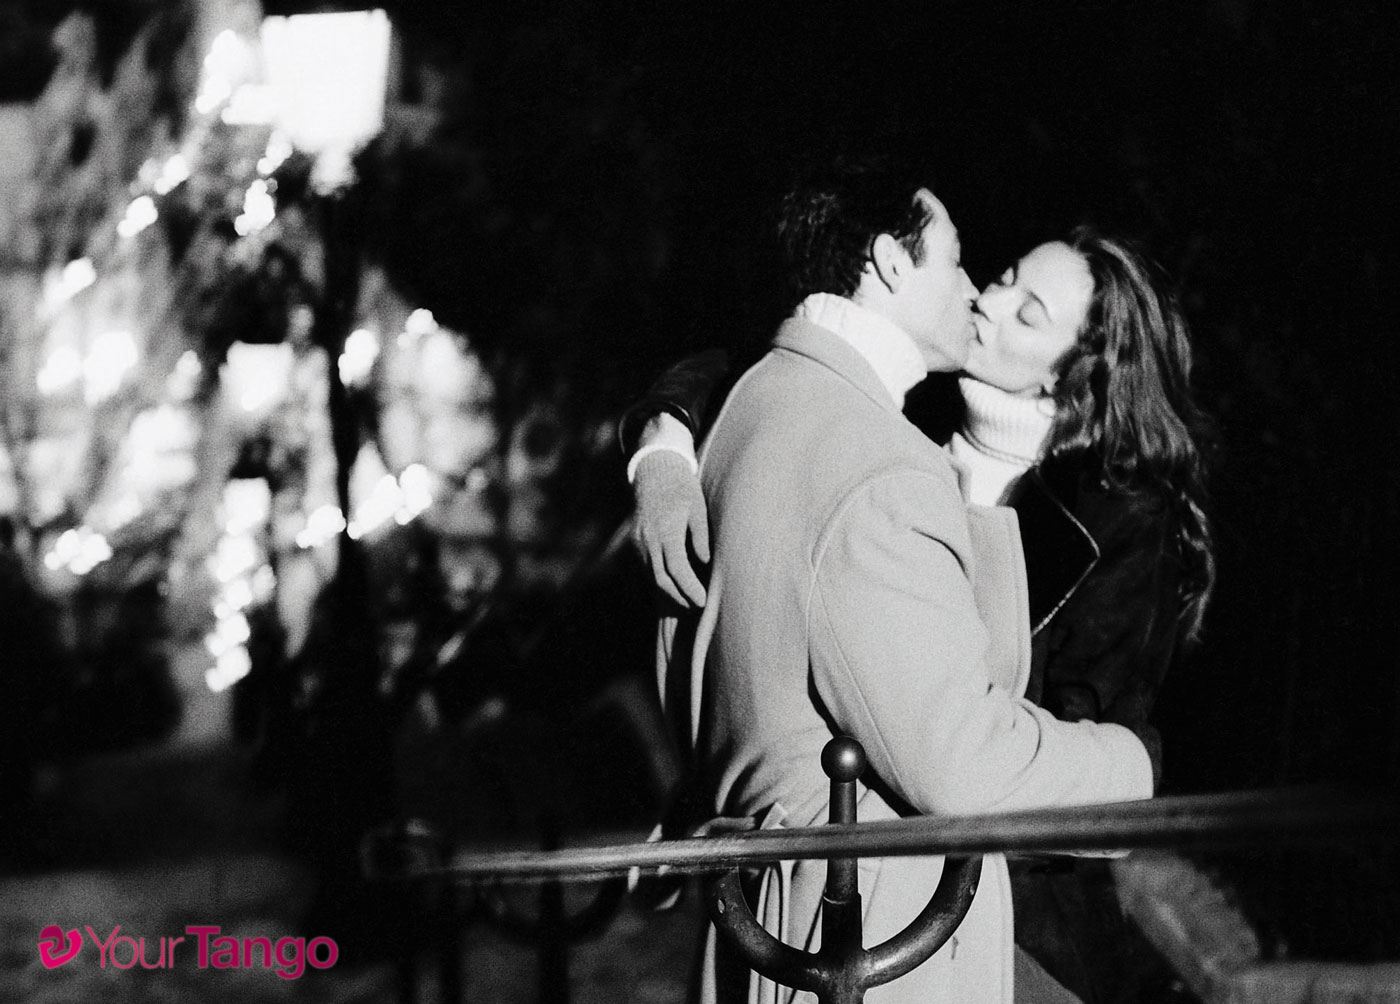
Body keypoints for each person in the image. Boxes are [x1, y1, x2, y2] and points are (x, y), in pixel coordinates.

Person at [625, 226, 1216, 1003]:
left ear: (1072, 377)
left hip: (1016, 921)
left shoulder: (1122, 522)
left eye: (1028, 313)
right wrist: (662, 451)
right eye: (1005, 275)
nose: (990, 299)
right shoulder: (901, 417)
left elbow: (1074, 758)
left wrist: (935, 763)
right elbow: (760, 365)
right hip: (841, 900)